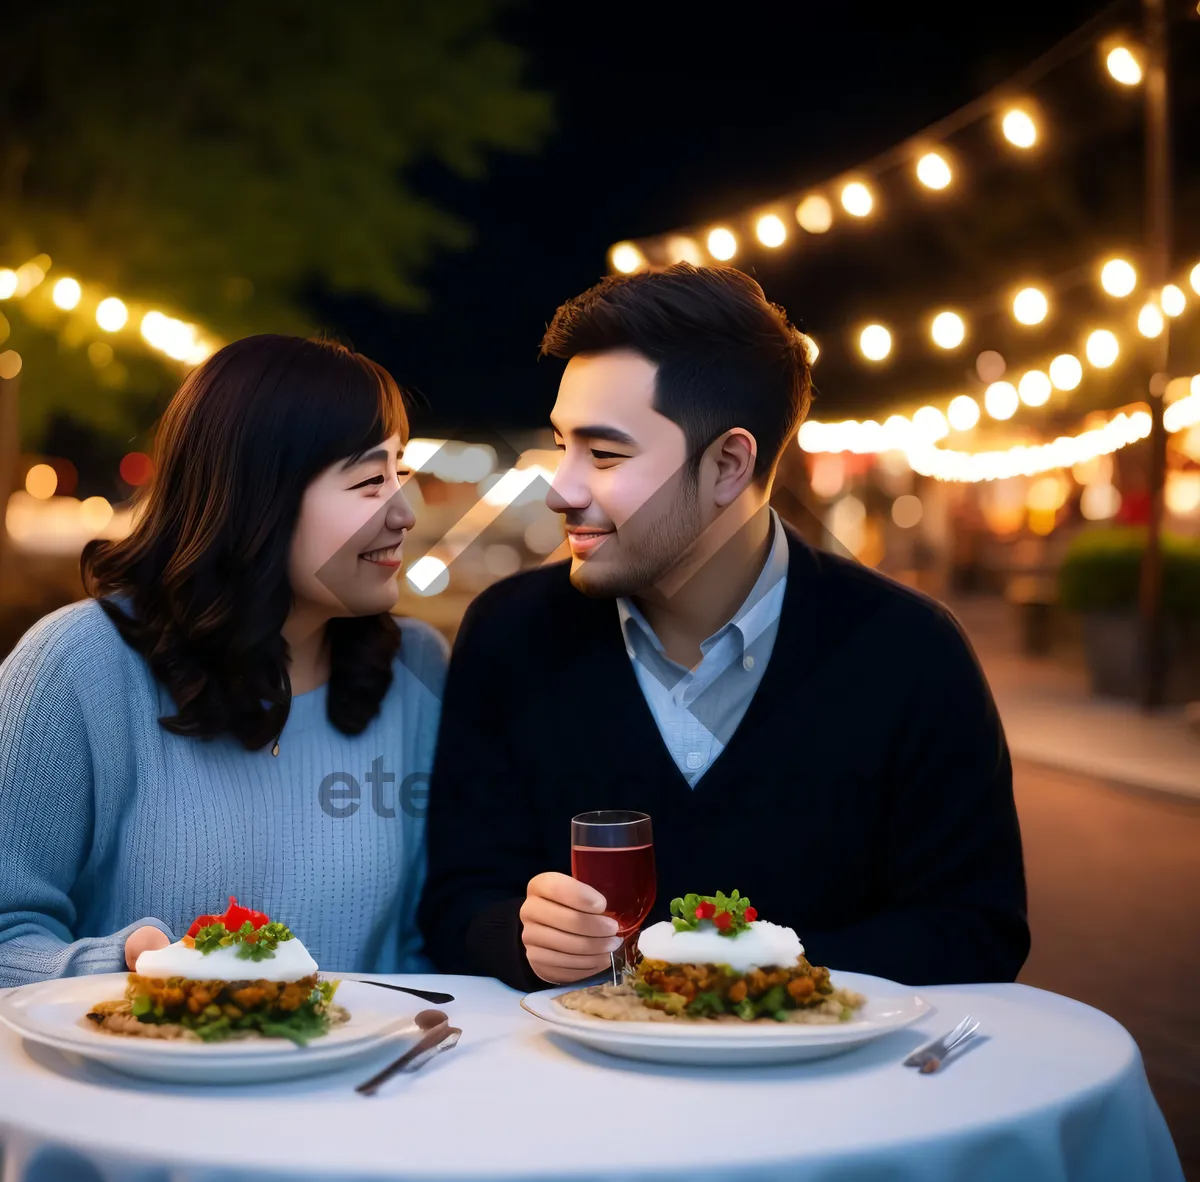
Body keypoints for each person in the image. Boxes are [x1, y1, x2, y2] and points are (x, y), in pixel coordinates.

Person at [418, 264, 1029, 990]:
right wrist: (519, 936)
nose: (562, 488)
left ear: (729, 464)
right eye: (562, 444)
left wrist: (742, 982)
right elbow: (458, 900)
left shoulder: (911, 652)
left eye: (605, 454)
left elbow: (975, 929)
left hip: (834, 1092)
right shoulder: (510, 634)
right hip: (579, 1092)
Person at [0, 335, 446, 986]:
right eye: (370, 480)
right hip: (140, 1078)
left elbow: (423, 944)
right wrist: (122, 971)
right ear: (257, 494)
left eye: (400, 471)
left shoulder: (417, 667)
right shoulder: (77, 663)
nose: (405, 512)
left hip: (365, 1080)